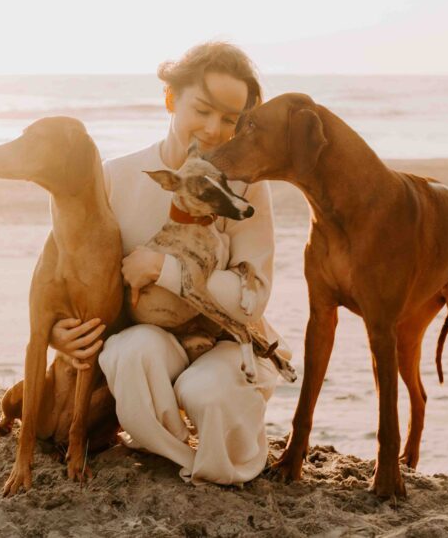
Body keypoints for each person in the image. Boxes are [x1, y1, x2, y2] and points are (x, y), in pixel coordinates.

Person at [50, 41, 289, 485]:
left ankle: (217, 463)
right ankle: (170, 451)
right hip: (150, 336)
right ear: (170, 99)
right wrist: (57, 330)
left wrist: (164, 270)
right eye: (203, 109)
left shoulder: (244, 188)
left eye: (229, 118)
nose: (215, 129)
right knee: (129, 351)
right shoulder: (115, 176)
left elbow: (252, 296)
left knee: (208, 393)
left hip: (225, 339)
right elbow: (64, 270)